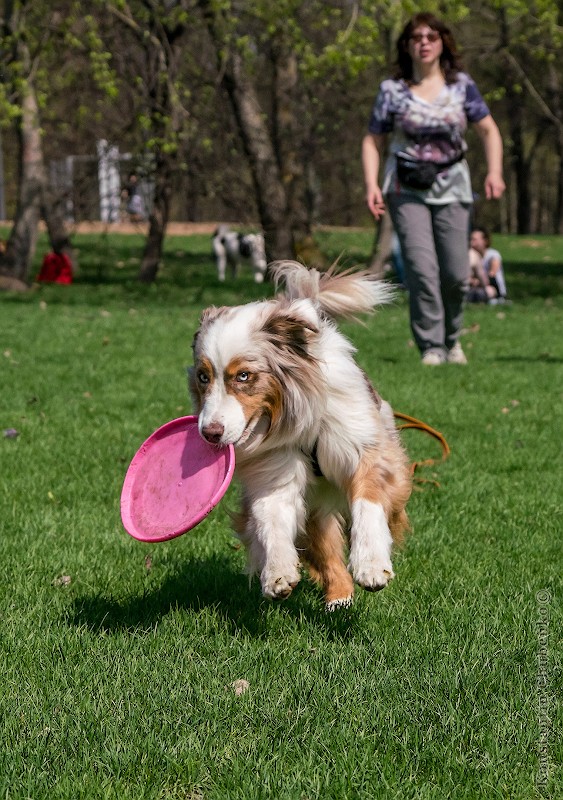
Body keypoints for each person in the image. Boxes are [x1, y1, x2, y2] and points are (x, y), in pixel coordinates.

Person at [362, 11, 505, 365]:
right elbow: (373, 139)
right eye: (416, 38)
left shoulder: (461, 86)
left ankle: (452, 339)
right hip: (405, 188)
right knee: (422, 269)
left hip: (453, 187)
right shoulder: (392, 90)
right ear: (407, 46)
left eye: (431, 36)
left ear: (443, 43)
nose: (424, 43)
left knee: (456, 274)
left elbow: (488, 129)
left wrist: (495, 172)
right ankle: (432, 347)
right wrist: (371, 185)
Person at [469, 225, 508, 303]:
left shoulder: (493, 255)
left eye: (475, 240)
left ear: (485, 241)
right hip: (477, 287)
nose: (472, 243)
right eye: (471, 240)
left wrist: (476, 281)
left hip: (493, 287)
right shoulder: (471, 255)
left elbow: (492, 274)